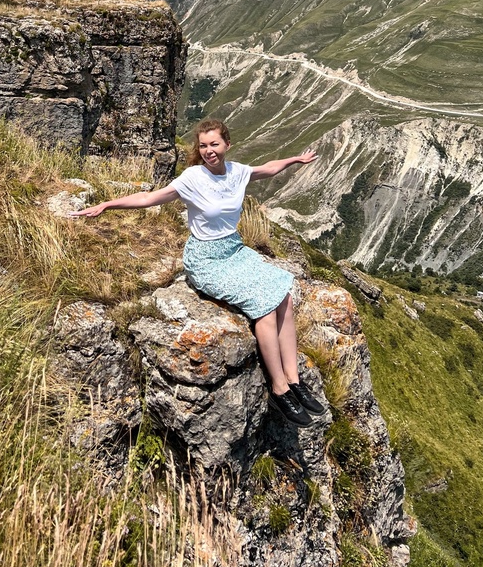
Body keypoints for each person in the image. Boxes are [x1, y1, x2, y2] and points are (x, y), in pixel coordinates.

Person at [71, 118, 324, 427]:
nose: (208, 151)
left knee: (283, 296)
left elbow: (267, 168)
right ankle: (279, 387)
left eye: (214, 144)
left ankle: (295, 381)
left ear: (227, 145)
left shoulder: (237, 172)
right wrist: (108, 205)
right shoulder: (192, 178)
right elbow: (150, 198)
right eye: (203, 146)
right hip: (206, 259)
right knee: (265, 308)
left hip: (234, 249)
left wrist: (295, 160)